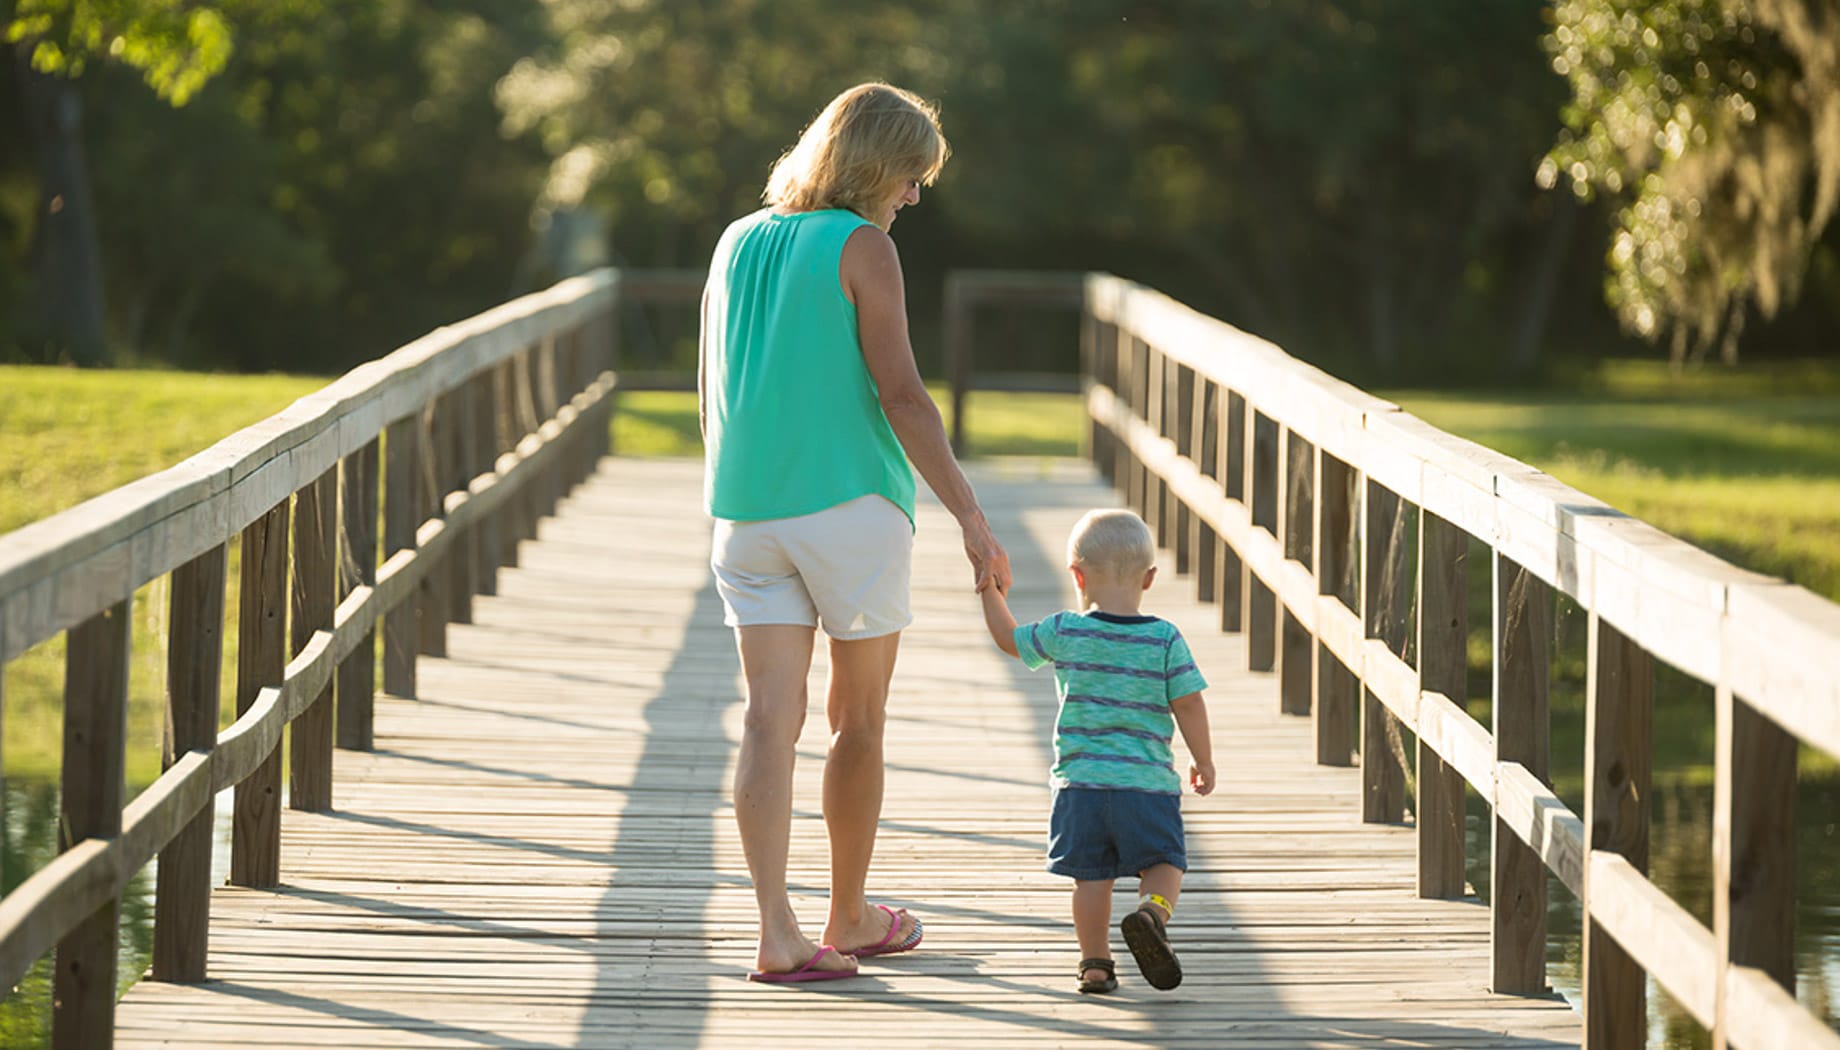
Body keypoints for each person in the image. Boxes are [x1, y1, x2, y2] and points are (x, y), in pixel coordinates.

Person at [699, 81, 1012, 983]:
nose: (915, 196)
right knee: (858, 720)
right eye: (913, 176)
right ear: (879, 166)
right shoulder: (863, 246)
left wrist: (730, 495)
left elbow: (717, 384)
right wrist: (971, 517)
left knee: (768, 719)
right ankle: (850, 915)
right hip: (850, 512)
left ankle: (776, 933)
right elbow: (904, 396)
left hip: (744, 515)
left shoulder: (736, 241)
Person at [977, 508, 1214, 994]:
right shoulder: (1164, 638)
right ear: (1150, 578)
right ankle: (1152, 913)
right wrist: (1203, 759)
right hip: (1145, 786)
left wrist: (990, 590)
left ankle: (1095, 965)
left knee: (1090, 879)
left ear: (1077, 575)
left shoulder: (1066, 630)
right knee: (1166, 863)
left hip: (1080, 786)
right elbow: (1188, 702)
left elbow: (1008, 640)